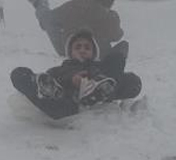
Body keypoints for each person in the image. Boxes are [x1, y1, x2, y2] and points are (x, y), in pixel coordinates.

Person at [10, 30, 142, 120]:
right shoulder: (61, 69)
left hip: (100, 92)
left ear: (93, 52)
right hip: (66, 102)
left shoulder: (99, 67)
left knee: (130, 78)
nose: (82, 50)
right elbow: (53, 75)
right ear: (70, 52)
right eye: (78, 47)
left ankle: (98, 90)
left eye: (87, 47)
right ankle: (50, 92)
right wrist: (72, 79)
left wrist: (97, 78)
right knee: (19, 73)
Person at [22, 0, 122, 58]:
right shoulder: (110, 16)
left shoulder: (71, 6)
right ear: (108, 4)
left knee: (48, 19)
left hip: (68, 50)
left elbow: (51, 20)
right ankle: (81, 1)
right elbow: (116, 36)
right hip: (97, 53)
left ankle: (38, 3)